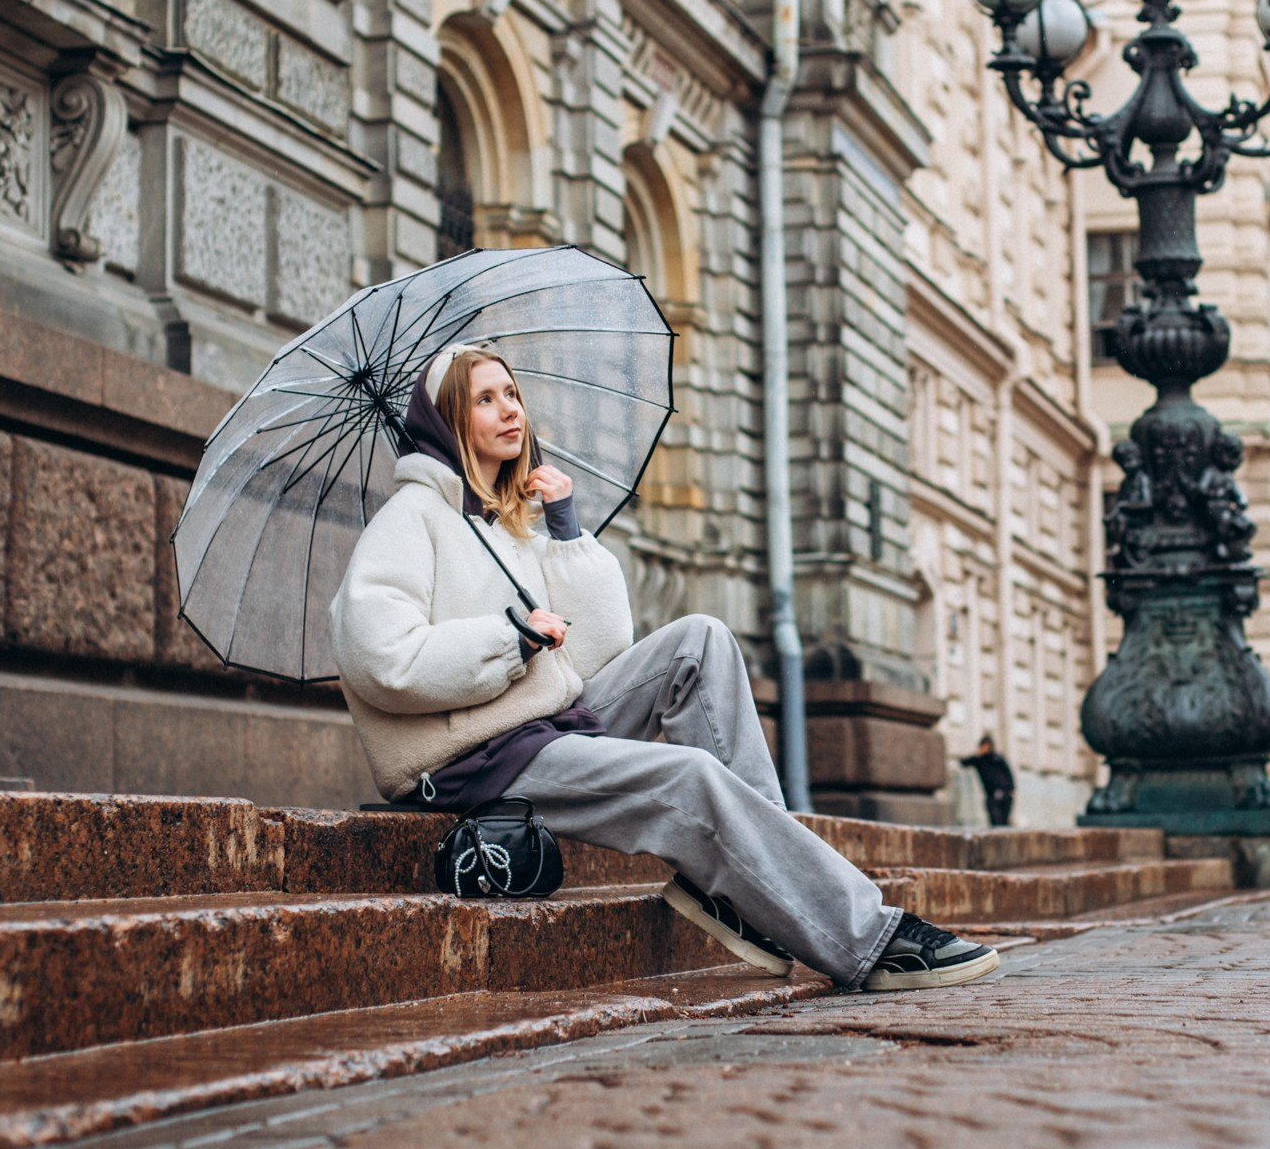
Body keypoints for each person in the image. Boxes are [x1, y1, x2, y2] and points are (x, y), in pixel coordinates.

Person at [330, 344, 1000, 993]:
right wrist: (509, 640)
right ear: (448, 422)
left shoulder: (507, 525)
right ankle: (866, 940)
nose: (511, 411)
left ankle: (753, 888)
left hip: (540, 725)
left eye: (513, 394)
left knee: (699, 640)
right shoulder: (410, 518)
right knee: (691, 776)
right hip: (473, 763)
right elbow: (379, 658)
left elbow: (601, 645)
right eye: (484, 399)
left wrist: (563, 527)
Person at [960, 735, 1016, 827]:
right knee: (995, 821)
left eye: (987, 746)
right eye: (984, 746)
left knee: (1004, 822)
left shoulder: (997, 758)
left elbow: (1008, 774)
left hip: (1005, 793)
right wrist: (977, 754)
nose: (986, 748)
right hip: (992, 795)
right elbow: (963, 762)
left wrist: (1012, 790)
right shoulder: (979, 760)